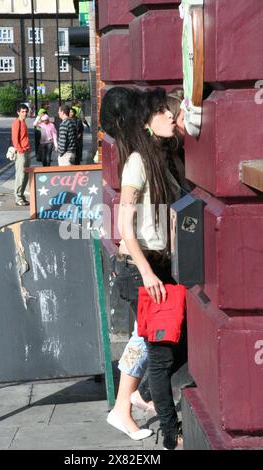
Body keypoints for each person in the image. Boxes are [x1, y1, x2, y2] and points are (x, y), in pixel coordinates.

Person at [100, 87, 185, 449]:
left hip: (159, 265)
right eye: (163, 112)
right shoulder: (137, 161)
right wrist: (147, 273)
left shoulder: (162, 154)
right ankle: (170, 432)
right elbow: (124, 227)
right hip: (142, 268)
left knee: (152, 346)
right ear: (147, 121)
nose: (171, 116)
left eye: (172, 111)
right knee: (160, 353)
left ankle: (132, 401)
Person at [12, 103, 30, 206]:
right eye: (22, 111)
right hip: (21, 153)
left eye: (26, 111)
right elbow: (15, 139)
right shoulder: (17, 123)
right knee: (20, 175)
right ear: (18, 112)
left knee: (25, 176)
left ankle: (21, 195)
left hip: (26, 151)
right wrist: (20, 150)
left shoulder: (24, 123)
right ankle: (18, 197)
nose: (25, 113)